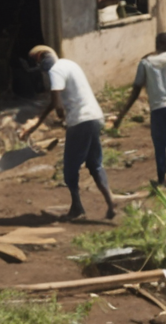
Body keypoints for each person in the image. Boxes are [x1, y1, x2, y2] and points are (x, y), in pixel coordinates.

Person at [20, 46, 116, 221]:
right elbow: (56, 102)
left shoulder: (55, 71)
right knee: (95, 164)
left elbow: (56, 104)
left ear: (41, 58)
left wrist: (61, 119)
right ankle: (110, 202)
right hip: (95, 117)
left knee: (70, 169)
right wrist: (36, 124)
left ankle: (77, 208)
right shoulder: (70, 65)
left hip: (80, 121)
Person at [113, 31, 166, 187]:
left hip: (158, 109)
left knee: (160, 146)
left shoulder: (146, 63)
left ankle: (162, 179)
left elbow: (136, 91)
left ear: (157, 45)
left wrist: (121, 116)